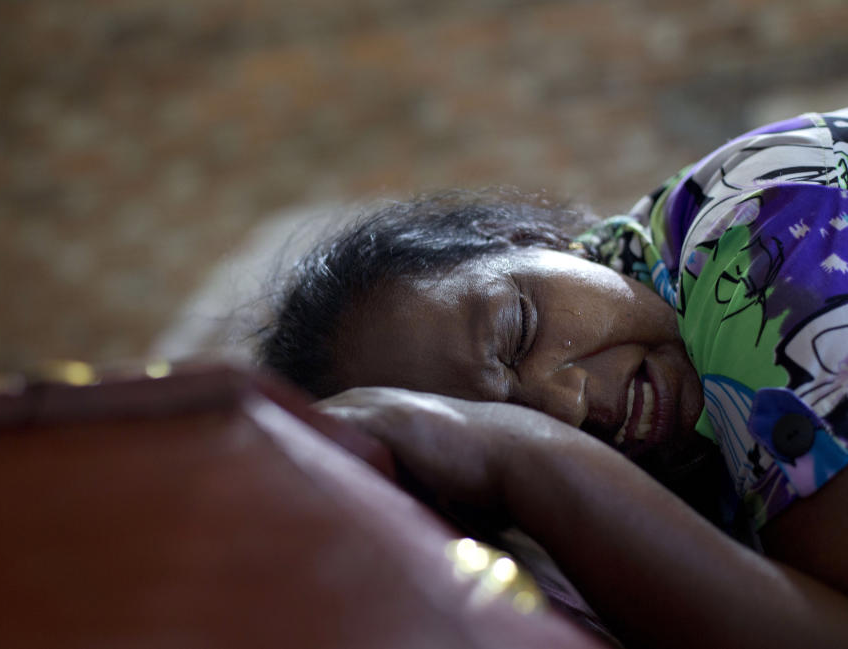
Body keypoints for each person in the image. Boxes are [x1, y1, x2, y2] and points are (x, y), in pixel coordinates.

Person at [256, 108, 848, 648]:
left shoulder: (762, 232)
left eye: (518, 331)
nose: (565, 409)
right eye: (504, 421)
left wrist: (525, 455)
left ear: (532, 242)